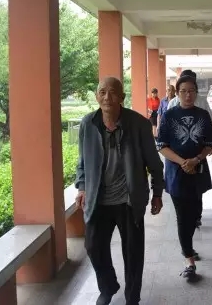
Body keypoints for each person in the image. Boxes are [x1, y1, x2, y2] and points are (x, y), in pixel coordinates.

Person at [75, 77, 164, 305]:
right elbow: (82, 163)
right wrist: (82, 187)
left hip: (129, 200)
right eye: (102, 92)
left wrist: (157, 193)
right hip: (98, 200)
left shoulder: (139, 124)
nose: (107, 97)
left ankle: (132, 298)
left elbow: (154, 163)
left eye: (113, 92)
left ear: (122, 97)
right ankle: (108, 287)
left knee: (133, 253)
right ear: (97, 96)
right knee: (93, 247)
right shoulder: (88, 124)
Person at [156, 75, 212, 281]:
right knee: (183, 216)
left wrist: (196, 160)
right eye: (183, 91)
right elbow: (161, 145)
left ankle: (188, 246)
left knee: (195, 213)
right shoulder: (169, 115)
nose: (187, 95)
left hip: (198, 171)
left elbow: (210, 144)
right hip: (176, 173)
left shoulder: (203, 115)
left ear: (196, 92)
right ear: (177, 93)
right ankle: (189, 259)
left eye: (191, 91)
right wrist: (183, 162)